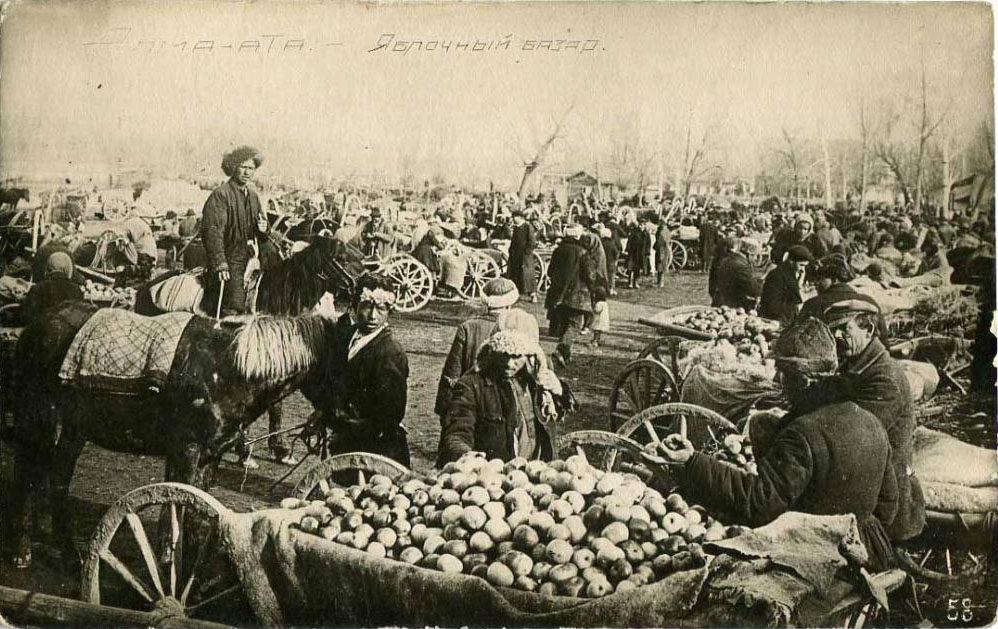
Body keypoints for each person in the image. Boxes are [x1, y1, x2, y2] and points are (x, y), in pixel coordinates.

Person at [643, 317, 899, 569]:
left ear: (804, 381)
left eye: (783, 374)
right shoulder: (871, 421)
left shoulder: (803, 433)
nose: (778, 380)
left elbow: (758, 503)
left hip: (816, 555)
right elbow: (888, 505)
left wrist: (693, 461)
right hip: (866, 551)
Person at [817, 300, 925, 542]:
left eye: (844, 328)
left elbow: (853, 437)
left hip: (885, 503)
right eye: (834, 330)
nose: (837, 336)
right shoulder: (858, 365)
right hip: (865, 479)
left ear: (868, 330)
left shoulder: (885, 378)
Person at [310, 274, 411, 466]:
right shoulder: (344, 336)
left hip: (378, 450)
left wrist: (346, 425)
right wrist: (325, 413)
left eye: (381, 309)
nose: (373, 316)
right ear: (354, 305)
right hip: (345, 445)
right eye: (366, 307)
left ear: (389, 311)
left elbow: (390, 415)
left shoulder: (391, 353)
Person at [437, 329, 570, 465]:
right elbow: (458, 431)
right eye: (504, 355)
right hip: (495, 471)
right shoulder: (473, 384)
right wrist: (465, 455)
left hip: (537, 470)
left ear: (529, 355)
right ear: (493, 351)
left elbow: (561, 412)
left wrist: (559, 391)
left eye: (517, 356)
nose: (509, 363)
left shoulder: (537, 381)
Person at [435, 278, 522, 421]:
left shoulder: (468, 327)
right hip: (504, 405)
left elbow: (452, 372)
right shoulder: (516, 329)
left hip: (470, 401)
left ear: (486, 303)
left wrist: (445, 409)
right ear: (509, 305)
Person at [200, 146, 269, 317]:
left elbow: (262, 227)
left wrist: (264, 229)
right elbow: (212, 231)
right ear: (233, 167)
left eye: (251, 168)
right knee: (234, 303)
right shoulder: (221, 195)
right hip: (230, 258)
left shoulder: (253, 196)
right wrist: (220, 263)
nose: (247, 172)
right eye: (243, 167)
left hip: (251, 258)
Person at [545, 223, 609, 367]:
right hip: (577, 295)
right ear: (577, 235)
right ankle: (560, 351)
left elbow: (550, 271)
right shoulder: (582, 252)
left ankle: (565, 356)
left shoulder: (558, 250)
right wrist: (594, 289)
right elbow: (590, 275)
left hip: (558, 294)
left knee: (565, 323)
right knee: (575, 324)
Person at [798, 254, 888, 338]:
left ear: (835, 279)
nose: (815, 283)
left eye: (820, 278)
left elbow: (796, 339)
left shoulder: (813, 305)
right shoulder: (870, 302)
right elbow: (884, 341)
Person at [20, 252, 83, 322]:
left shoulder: (40, 287)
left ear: (48, 269)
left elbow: (26, 316)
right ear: (68, 269)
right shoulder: (77, 290)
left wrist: (23, 300)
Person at [758, 245, 812, 324]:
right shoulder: (777, 276)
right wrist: (796, 308)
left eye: (805, 266)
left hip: (783, 319)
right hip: (774, 321)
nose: (803, 269)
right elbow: (772, 306)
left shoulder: (790, 273)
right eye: (801, 265)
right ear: (791, 261)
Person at [710, 237, 761, 310]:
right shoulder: (742, 266)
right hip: (732, 307)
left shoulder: (728, 259)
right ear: (749, 254)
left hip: (719, 302)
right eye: (755, 255)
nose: (755, 259)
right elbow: (753, 289)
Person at [506, 209, 538, 302]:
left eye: (514, 217)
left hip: (525, 256)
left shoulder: (528, 227)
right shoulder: (516, 228)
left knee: (527, 275)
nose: (513, 219)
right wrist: (511, 250)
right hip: (515, 255)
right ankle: (516, 294)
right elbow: (513, 241)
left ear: (520, 217)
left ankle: (533, 295)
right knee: (516, 274)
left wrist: (527, 252)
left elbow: (532, 241)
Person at [654, 218, 672, 287]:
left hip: (661, 250)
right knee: (661, 266)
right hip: (664, 249)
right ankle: (660, 282)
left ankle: (660, 283)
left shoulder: (662, 232)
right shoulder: (667, 231)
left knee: (660, 266)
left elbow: (660, 242)